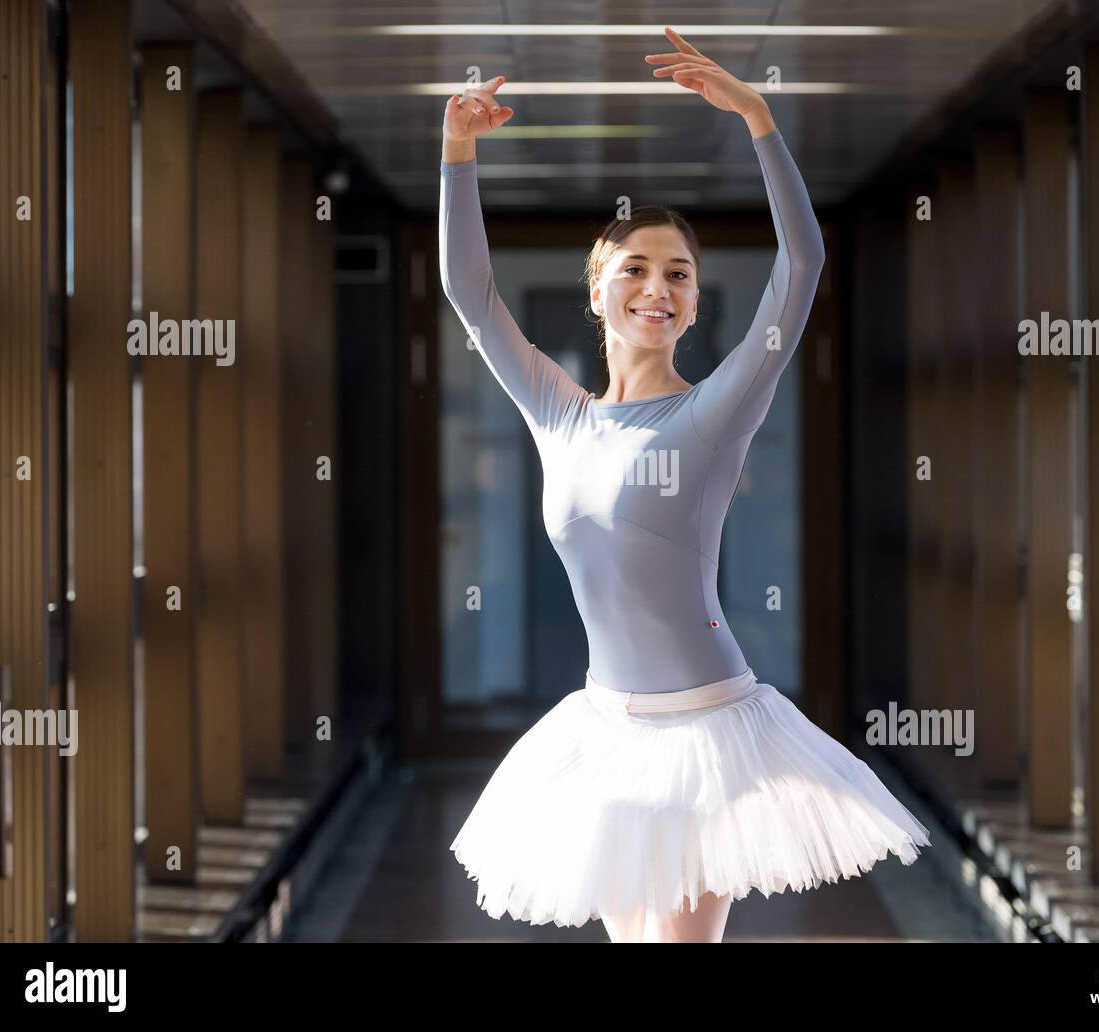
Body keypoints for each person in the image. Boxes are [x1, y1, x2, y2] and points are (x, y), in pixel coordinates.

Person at [439, 27, 930, 942]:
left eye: (680, 274)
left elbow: (804, 268)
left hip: (707, 734)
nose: (657, 288)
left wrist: (759, 121)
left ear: (697, 301)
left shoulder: (716, 410)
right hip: (602, 733)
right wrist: (457, 151)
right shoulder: (558, 411)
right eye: (635, 269)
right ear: (598, 291)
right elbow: (471, 292)